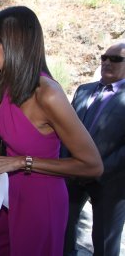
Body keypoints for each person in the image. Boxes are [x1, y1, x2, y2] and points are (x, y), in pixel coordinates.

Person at [0, 6, 103, 256]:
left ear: (16, 43)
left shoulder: (48, 93)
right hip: (8, 194)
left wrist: (22, 162)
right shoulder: (5, 84)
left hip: (42, 200)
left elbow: (92, 165)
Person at [63, 42, 125, 256]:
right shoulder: (84, 90)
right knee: (63, 231)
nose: (107, 62)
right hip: (72, 176)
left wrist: (97, 169)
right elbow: (65, 131)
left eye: (116, 59)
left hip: (111, 182)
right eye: (104, 57)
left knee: (105, 243)